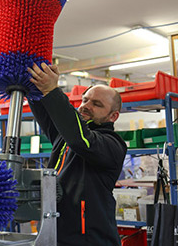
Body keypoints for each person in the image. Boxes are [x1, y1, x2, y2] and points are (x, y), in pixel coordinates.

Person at [27, 62, 127, 246]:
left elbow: (81, 140)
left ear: (113, 116)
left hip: (90, 239)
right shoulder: (64, 135)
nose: (86, 106)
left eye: (96, 104)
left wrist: (52, 90)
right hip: (57, 233)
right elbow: (46, 111)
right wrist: (31, 85)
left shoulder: (112, 145)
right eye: (85, 100)